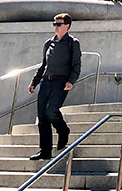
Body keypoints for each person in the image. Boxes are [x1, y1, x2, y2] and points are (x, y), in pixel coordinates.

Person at [27, 13, 81, 160]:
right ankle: (45, 151)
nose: (55, 27)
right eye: (54, 24)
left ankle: (63, 130)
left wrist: (71, 81)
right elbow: (43, 65)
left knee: (51, 111)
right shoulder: (48, 43)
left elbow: (76, 65)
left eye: (59, 24)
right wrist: (35, 82)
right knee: (42, 117)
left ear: (67, 26)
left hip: (60, 82)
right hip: (46, 82)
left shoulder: (72, 43)